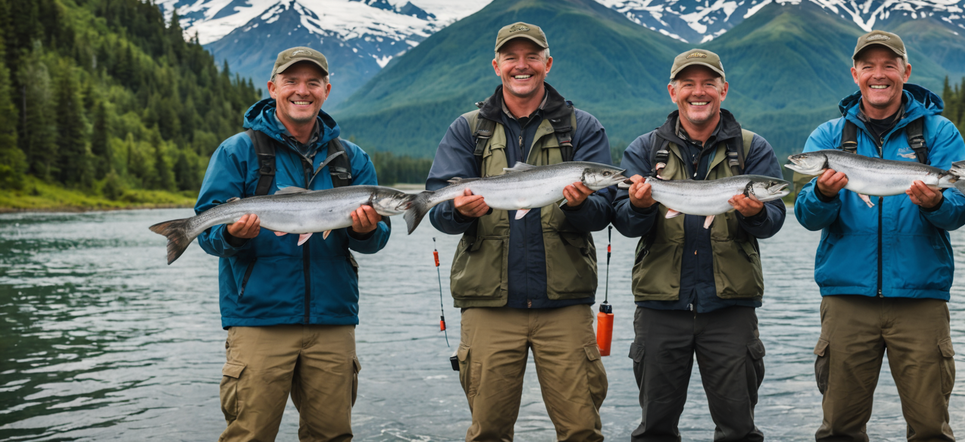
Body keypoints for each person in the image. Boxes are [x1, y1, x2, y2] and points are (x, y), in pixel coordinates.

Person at [426, 22, 612, 442]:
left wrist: (580, 203)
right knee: (489, 430)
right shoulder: (467, 129)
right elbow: (438, 210)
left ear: (548, 63)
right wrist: (460, 212)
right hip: (488, 304)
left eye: (532, 56)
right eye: (512, 57)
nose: (522, 66)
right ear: (497, 66)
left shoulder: (582, 128)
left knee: (581, 430)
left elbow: (604, 212)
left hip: (564, 303)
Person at [196, 46, 392, 442]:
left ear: (326, 90)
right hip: (258, 320)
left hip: (333, 320)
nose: (302, 91)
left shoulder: (352, 159)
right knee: (249, 435)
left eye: (313, 83)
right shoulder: (237, 151)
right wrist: (232, 233)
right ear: (273, 88)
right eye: (291, 81)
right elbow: (207, 234)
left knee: (332, 435)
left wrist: (366, 229)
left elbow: (375, 242)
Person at [794, 31, 965, 442]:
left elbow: (961, 209)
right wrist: (822, 193)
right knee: (839, 427)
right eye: (869, 66)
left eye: (889, 65)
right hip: (845, 298)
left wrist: (933, 204)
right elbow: (805, 216)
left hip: (921, 299)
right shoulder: (828, 136)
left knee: (930, 428)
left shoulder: (939, 133)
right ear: (855, 74)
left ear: (905, 72)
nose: (879, 75)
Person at [614, 48, 786, 442]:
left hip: (730, 309)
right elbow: (623, 220)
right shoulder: (645, 149)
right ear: (672, 92)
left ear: (723, 90)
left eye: (708, 83)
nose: (699, 92)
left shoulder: (751, 148)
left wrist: (755, 213)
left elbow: (773, 221)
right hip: (660, 308)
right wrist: (640, 205)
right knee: (654, 429)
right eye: (689, 84)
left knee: (739, 430)